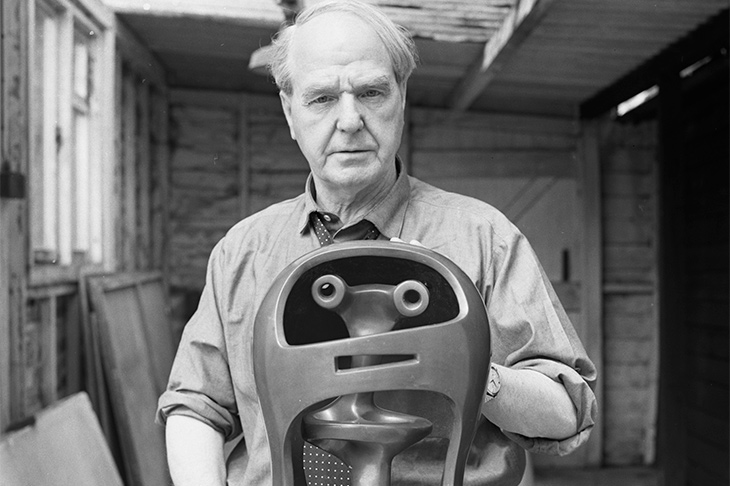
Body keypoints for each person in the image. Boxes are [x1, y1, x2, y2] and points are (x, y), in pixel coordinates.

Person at [157, 1, 597, 485]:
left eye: (370, 92)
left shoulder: (483, 238)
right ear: (289, 110)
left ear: (401, 96)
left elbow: (568, 413)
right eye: (322, 98)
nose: (349, 120)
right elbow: (195, 406)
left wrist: (474, 371)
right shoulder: (242, 253)